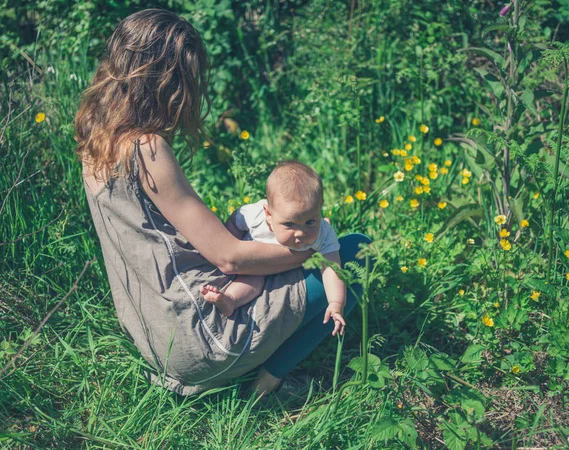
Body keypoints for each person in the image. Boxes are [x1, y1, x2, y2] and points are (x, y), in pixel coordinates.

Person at [75, 8, 371, 396]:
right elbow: (229, 257)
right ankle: (269, 383)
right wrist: (318, 250)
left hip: (152, 337)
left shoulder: (95, 144)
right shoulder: (146, 147)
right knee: (357, 250)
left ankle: (247, 372)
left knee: (277, 258)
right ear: (165, 81)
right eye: (188, 78)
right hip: (200, 335)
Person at [201, 161, 347, 337]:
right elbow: (235, 221)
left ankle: (232, 300)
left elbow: (332, 268)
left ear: (320, 208)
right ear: (269, 214)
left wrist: (336, 302)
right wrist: (233, 239)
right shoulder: (255, 216)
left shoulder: (323, 233)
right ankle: (230, 300)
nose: (300, 233)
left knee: (262, 282)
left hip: (290, 272)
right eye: (289, 224)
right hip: (255, 263)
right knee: (253, 281)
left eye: (310, 222)